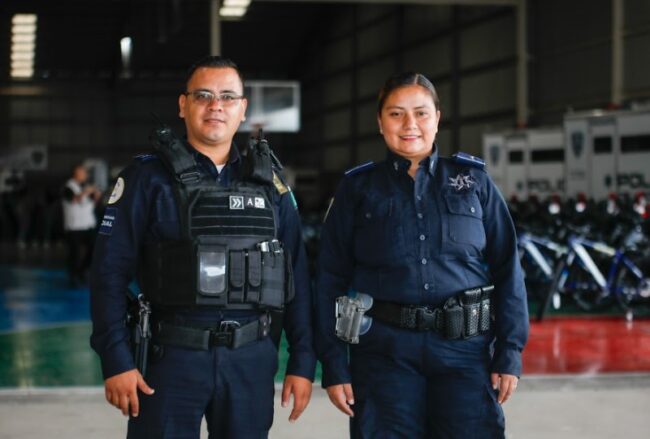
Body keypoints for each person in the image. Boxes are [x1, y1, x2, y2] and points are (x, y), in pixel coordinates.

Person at [90, 56, 315, 438]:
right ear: (183, 104)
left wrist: (303, 360)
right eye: (204, 95)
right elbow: (108, 274)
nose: (216, 106)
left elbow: (297, 276)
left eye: (228, 97)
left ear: (243, 109)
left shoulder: (270, 184)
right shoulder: (146, 180)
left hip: (250, 359)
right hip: (169, 360)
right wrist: (116, 360)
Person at [314, 72, 529, 438]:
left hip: (466, 355)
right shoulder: (358, 188)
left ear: (437, 118)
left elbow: (508, 267)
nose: (409, 124)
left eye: (421, 113)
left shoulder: (473, 181)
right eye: (396, 114)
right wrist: (334, 363)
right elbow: (328, 276)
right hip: (384, 355)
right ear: (380, 123)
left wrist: (509, 351)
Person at [62, 163, 101, 286]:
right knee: (74, 253)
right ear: (76, 173)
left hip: (87, 224)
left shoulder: (84, 187)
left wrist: (96, 196)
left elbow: (89, 205)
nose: (85, 174)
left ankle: (83, 270)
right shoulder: (68, 187)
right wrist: (86, 191)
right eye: (83, 172)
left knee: (95, 249)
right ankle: (73, 277)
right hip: (74, 226)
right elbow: (74, 199)